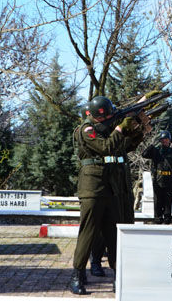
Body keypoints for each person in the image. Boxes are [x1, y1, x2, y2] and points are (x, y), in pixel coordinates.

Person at [70, 96, 141, 294]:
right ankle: (77, 275)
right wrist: (119, 128)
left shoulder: (107, 129)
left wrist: (137, 127)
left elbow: (123, 146)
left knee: (113, 233)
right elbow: (106, 147)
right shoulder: (87, 130)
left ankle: (118, 275)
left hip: (112, 186)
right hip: (92, 187)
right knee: (88, 232)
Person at [142, 130, 172, 224]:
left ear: (169, 140)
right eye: (162, 139)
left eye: (166, 139)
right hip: (158, 180)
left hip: (169, 181)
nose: (164, 141)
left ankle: (167, 222)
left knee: (168, 205)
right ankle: (157, 220)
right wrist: (152, 146)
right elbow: (144, 154)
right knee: (158, 204)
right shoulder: (156, 151)